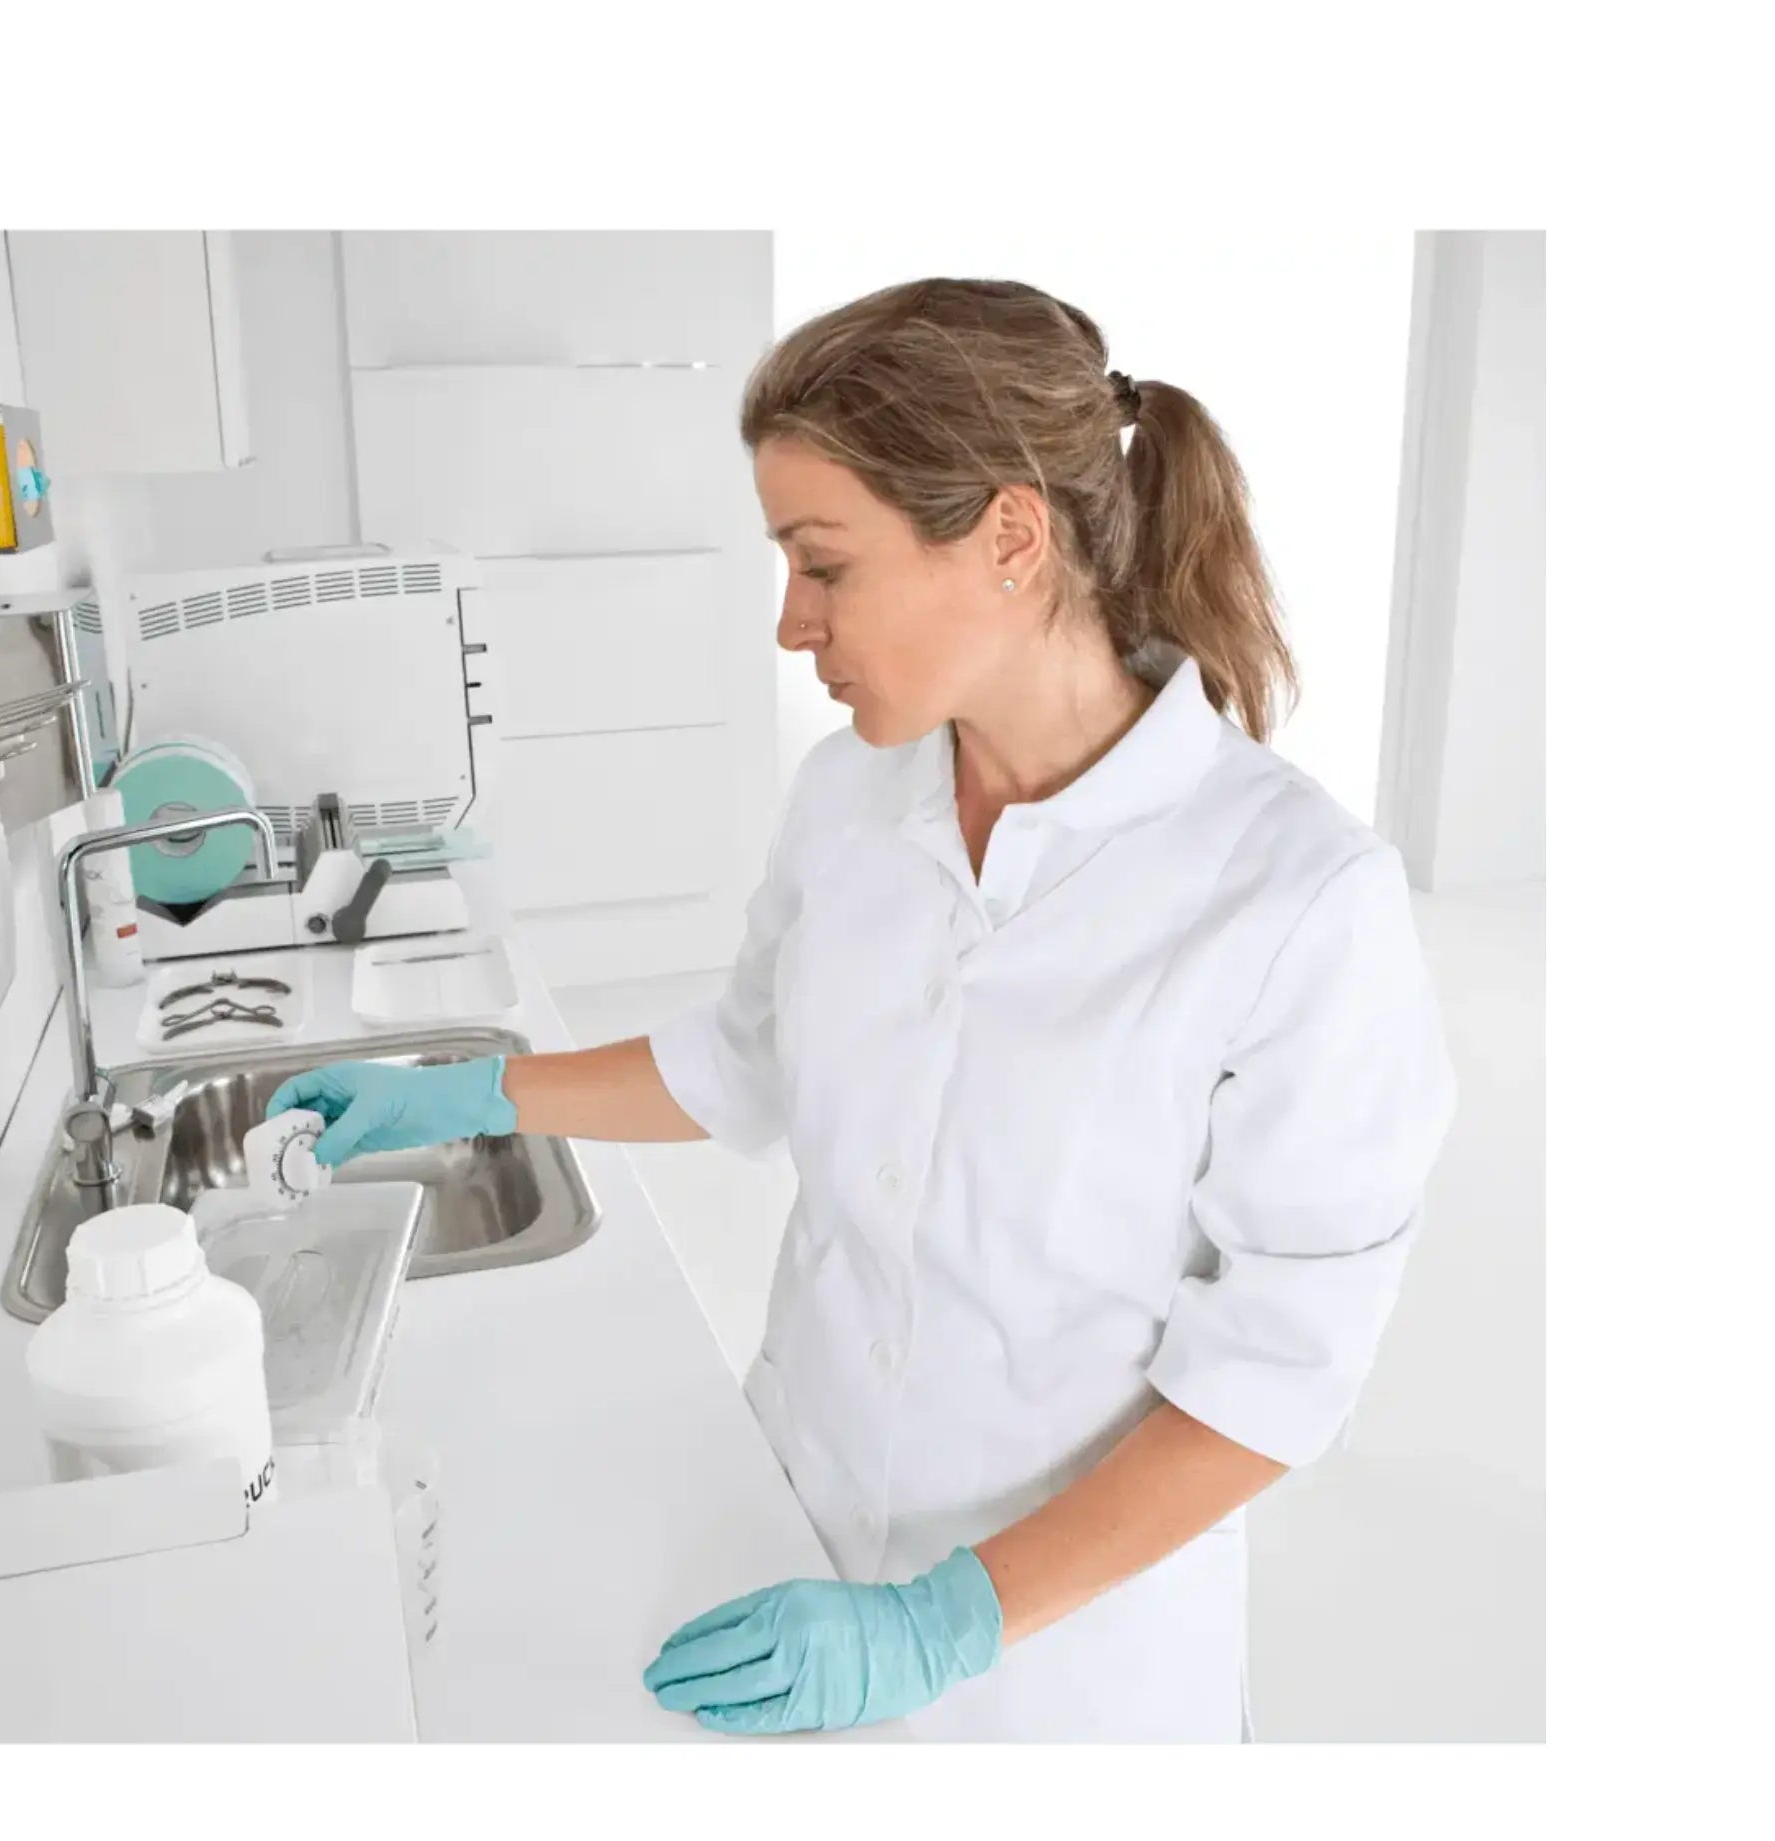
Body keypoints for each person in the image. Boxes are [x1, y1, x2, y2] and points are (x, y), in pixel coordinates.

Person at [269, 277, 1457, 1743]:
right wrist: (481, 1091)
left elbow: (1279, 1369)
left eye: (822, 564)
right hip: (794, 1513)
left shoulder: (1299, 899)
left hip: (1064, 1662)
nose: (791, 625)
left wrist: (948, 1621)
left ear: (1011, 539)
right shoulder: (850, 796)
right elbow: (750, 1060)